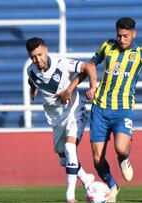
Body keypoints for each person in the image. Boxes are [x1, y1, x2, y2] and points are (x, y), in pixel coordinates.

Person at [63, 17, 142, 203]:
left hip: (123, 110)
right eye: (119, 35)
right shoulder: (107, 47)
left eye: (125, 36)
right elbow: (89, 66)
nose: (121, 40)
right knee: (97, 160)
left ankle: (124, 158)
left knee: (121, 148)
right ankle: (113, 186)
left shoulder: (141, 52)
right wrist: (71, 88)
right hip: (100, 109)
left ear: (134, 34)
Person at [26, 37, 97, 203]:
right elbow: (32, 80)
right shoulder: (31, 70)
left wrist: (77, 88)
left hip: (74, 111)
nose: (38, 60)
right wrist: (33, 89)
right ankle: (86, 179)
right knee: (63, 159)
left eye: (40, 54)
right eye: (33, 57)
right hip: (56, 118)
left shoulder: (62, 64)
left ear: (46, 49)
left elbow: (89, 67)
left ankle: (70, 197)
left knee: (69, 148)